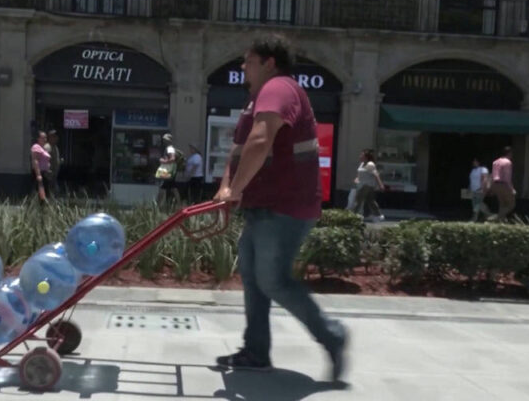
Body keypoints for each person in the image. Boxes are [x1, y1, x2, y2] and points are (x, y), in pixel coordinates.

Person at [213, 35, 348, 381]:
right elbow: (241, 149)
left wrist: (235, 188)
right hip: (263, 205)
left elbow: (260, 141)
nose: (243, 67)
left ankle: (332, 335)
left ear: (270, 62)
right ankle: (256, 352)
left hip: (285, 206)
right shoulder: (256, 99)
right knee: (255, 281)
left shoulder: (279, 89)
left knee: (272, 280)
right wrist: (228, 186)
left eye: (249, 61)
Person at [353, 149, 385, 222]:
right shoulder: (362, 164)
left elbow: (376, 175)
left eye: (362, 155)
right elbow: (360, 174)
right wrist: (357, 179)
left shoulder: (370, 164)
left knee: (358, 200)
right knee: (371, 201)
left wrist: (381, 185)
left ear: (366, 157)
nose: (360, 156)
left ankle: (353, 215)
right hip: (361, 185)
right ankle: (378, 215)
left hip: (367, 185)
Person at [490, 146, 515, 222]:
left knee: (502, 204)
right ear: (509, 153)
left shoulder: (495, 162)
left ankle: (501, 222)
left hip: (495, 184)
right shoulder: (507, 162)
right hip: (503, 184)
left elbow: (493, 175)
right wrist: (512, 189)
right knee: (511, 205)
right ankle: (497, 217)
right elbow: (507, 177)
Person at [156, 133, 181, 205]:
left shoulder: (169, 148)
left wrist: (163, 161)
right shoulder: (170, 148)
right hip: (171, 171)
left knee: (162, 187)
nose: (164, 141)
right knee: (173, 187)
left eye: (165, 140)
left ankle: (157, 204)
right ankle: (179, 204)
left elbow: (172, 158)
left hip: (168, 171)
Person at [469, 158, 491, 222]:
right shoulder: (473, 170)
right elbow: (471, 180)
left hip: (480, 189)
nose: (474, 162)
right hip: (473, 189)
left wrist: (482, 188)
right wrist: (469, 188)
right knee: (475, 204)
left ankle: (474, 219)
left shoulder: (483, 169)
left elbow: (485, 179)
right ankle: (488, 216)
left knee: (477, 204)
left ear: (479, 162)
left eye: (475, 161)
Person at [31, 131, 51, 201]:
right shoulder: (36, 147)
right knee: (40, 193)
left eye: (45, 138)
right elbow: (35, 161)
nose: (44, 139)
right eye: (42, 138)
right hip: (40, 173)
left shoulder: (44, 148)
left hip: (45, 173)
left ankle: (44, 209)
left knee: (46, 193)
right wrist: (38, 175)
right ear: (38, 139)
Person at [43, 130, 63, 198]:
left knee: (54, 193)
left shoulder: (55, 148)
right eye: (54, 136)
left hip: (54, 175)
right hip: (48, 176)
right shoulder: (47, 147)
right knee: (52, 192)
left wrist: (59, 161)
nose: (56, 138)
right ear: (50, 137)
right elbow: (44, 160)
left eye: (56, 137)